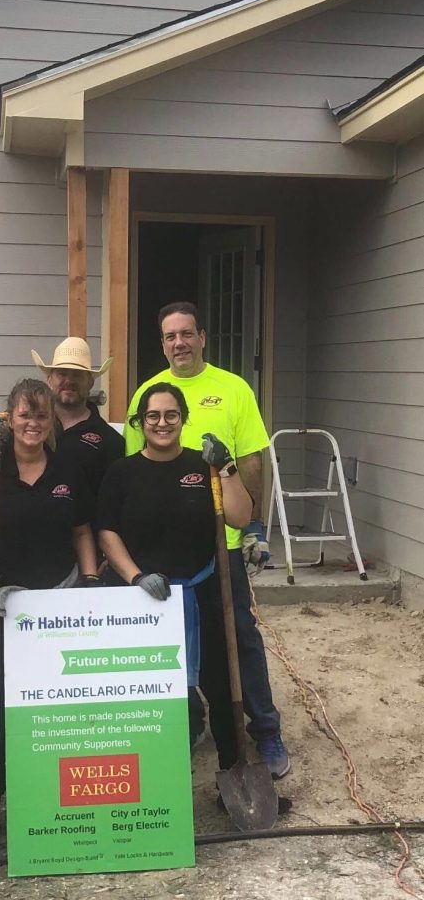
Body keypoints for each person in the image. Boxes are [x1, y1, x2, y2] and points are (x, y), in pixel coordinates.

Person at [123, 302, 290, 778]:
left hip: (224, 543)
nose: (179, 343)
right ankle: (192, 720)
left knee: (239, 634)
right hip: (168, 550)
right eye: (169, 336)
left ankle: (265, 731)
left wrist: (255, 528)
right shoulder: (147, 396)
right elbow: (135, 472)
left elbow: (254, 458)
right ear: (162, 343)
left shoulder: (233, 389)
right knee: (172, 640)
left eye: (187, 334)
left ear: (202, 338)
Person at [0, 378, 98, 854]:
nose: (33, 424)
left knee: (56, 713)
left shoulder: (69, 469)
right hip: (4, 610)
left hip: (57, 604)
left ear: (52, 420)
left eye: (41, 415)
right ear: (8, 419)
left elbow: (81, 532)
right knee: (1, 714)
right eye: (24, 415)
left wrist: (91, 582)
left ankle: (48, 805)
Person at [98, 383, 253, 778]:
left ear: (183, 419)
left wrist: (227, 466)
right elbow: (107, 532)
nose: (162, 423)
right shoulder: (122, 473)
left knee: (221, 687)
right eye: (153, 416)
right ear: (140, 422)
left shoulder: (203, 468)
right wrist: (135, 576)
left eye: (171, 415)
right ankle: (153, 782)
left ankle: (232, 774)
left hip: (203, 593)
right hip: (142, 601)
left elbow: (240, 517)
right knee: (148, 695)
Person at [0, 336, 124, 499]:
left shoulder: (110, 441)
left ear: (90, 383)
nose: (69, 380)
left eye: (77, 375)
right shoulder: (20, 424)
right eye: (62, 373)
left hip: (75, 525)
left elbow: (112, 498)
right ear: (50, 379)